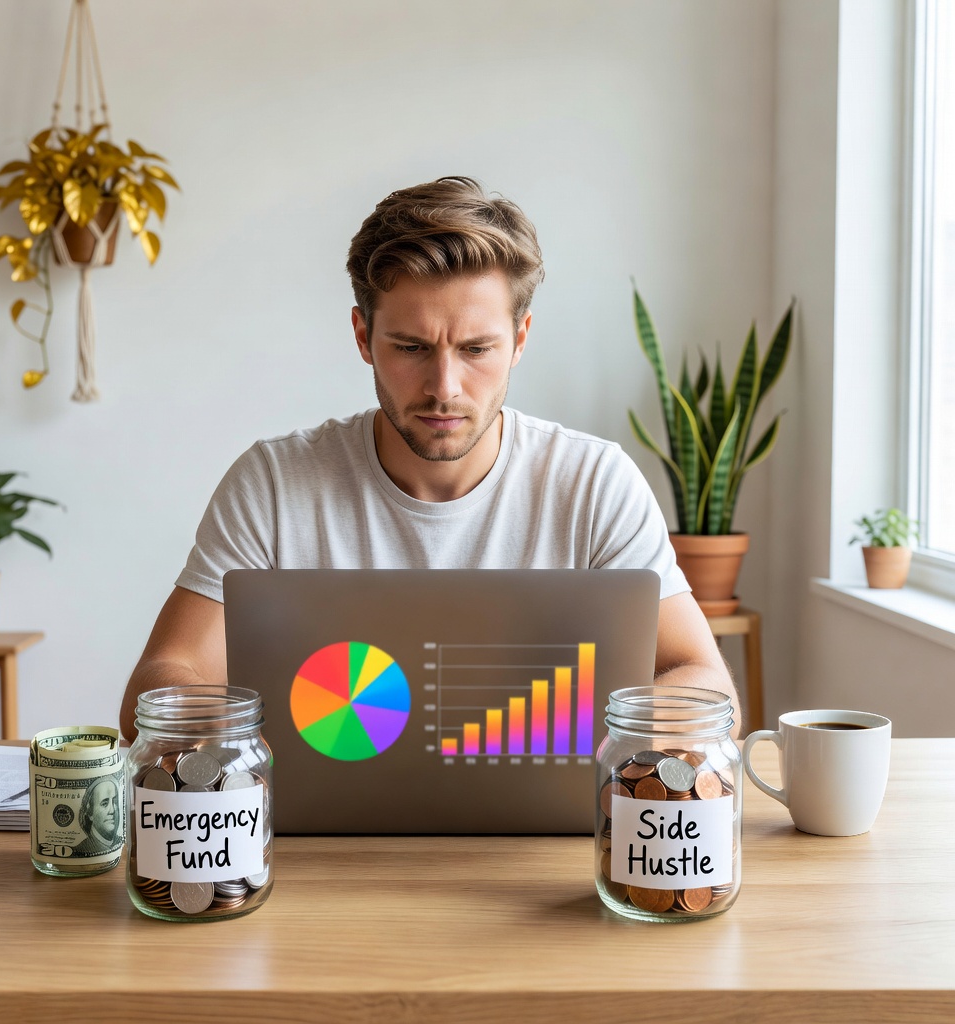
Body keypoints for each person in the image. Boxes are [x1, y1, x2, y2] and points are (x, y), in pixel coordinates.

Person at [119, 176, 737, 741]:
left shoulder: (594, 483)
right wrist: (236, 734)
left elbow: (706, 683)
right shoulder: (274, 484)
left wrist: (584, 737)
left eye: (477, 349)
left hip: (548, 830)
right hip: (322, 828)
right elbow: (162, 680)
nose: (445, 387)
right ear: (363, 336)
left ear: (520, 340)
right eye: (411, 347)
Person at [73, 776, 121, 855]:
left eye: (115, 802)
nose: (112, 810)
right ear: (90, 813)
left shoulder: (121, 842)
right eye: (104, 804)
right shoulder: (80, 850)